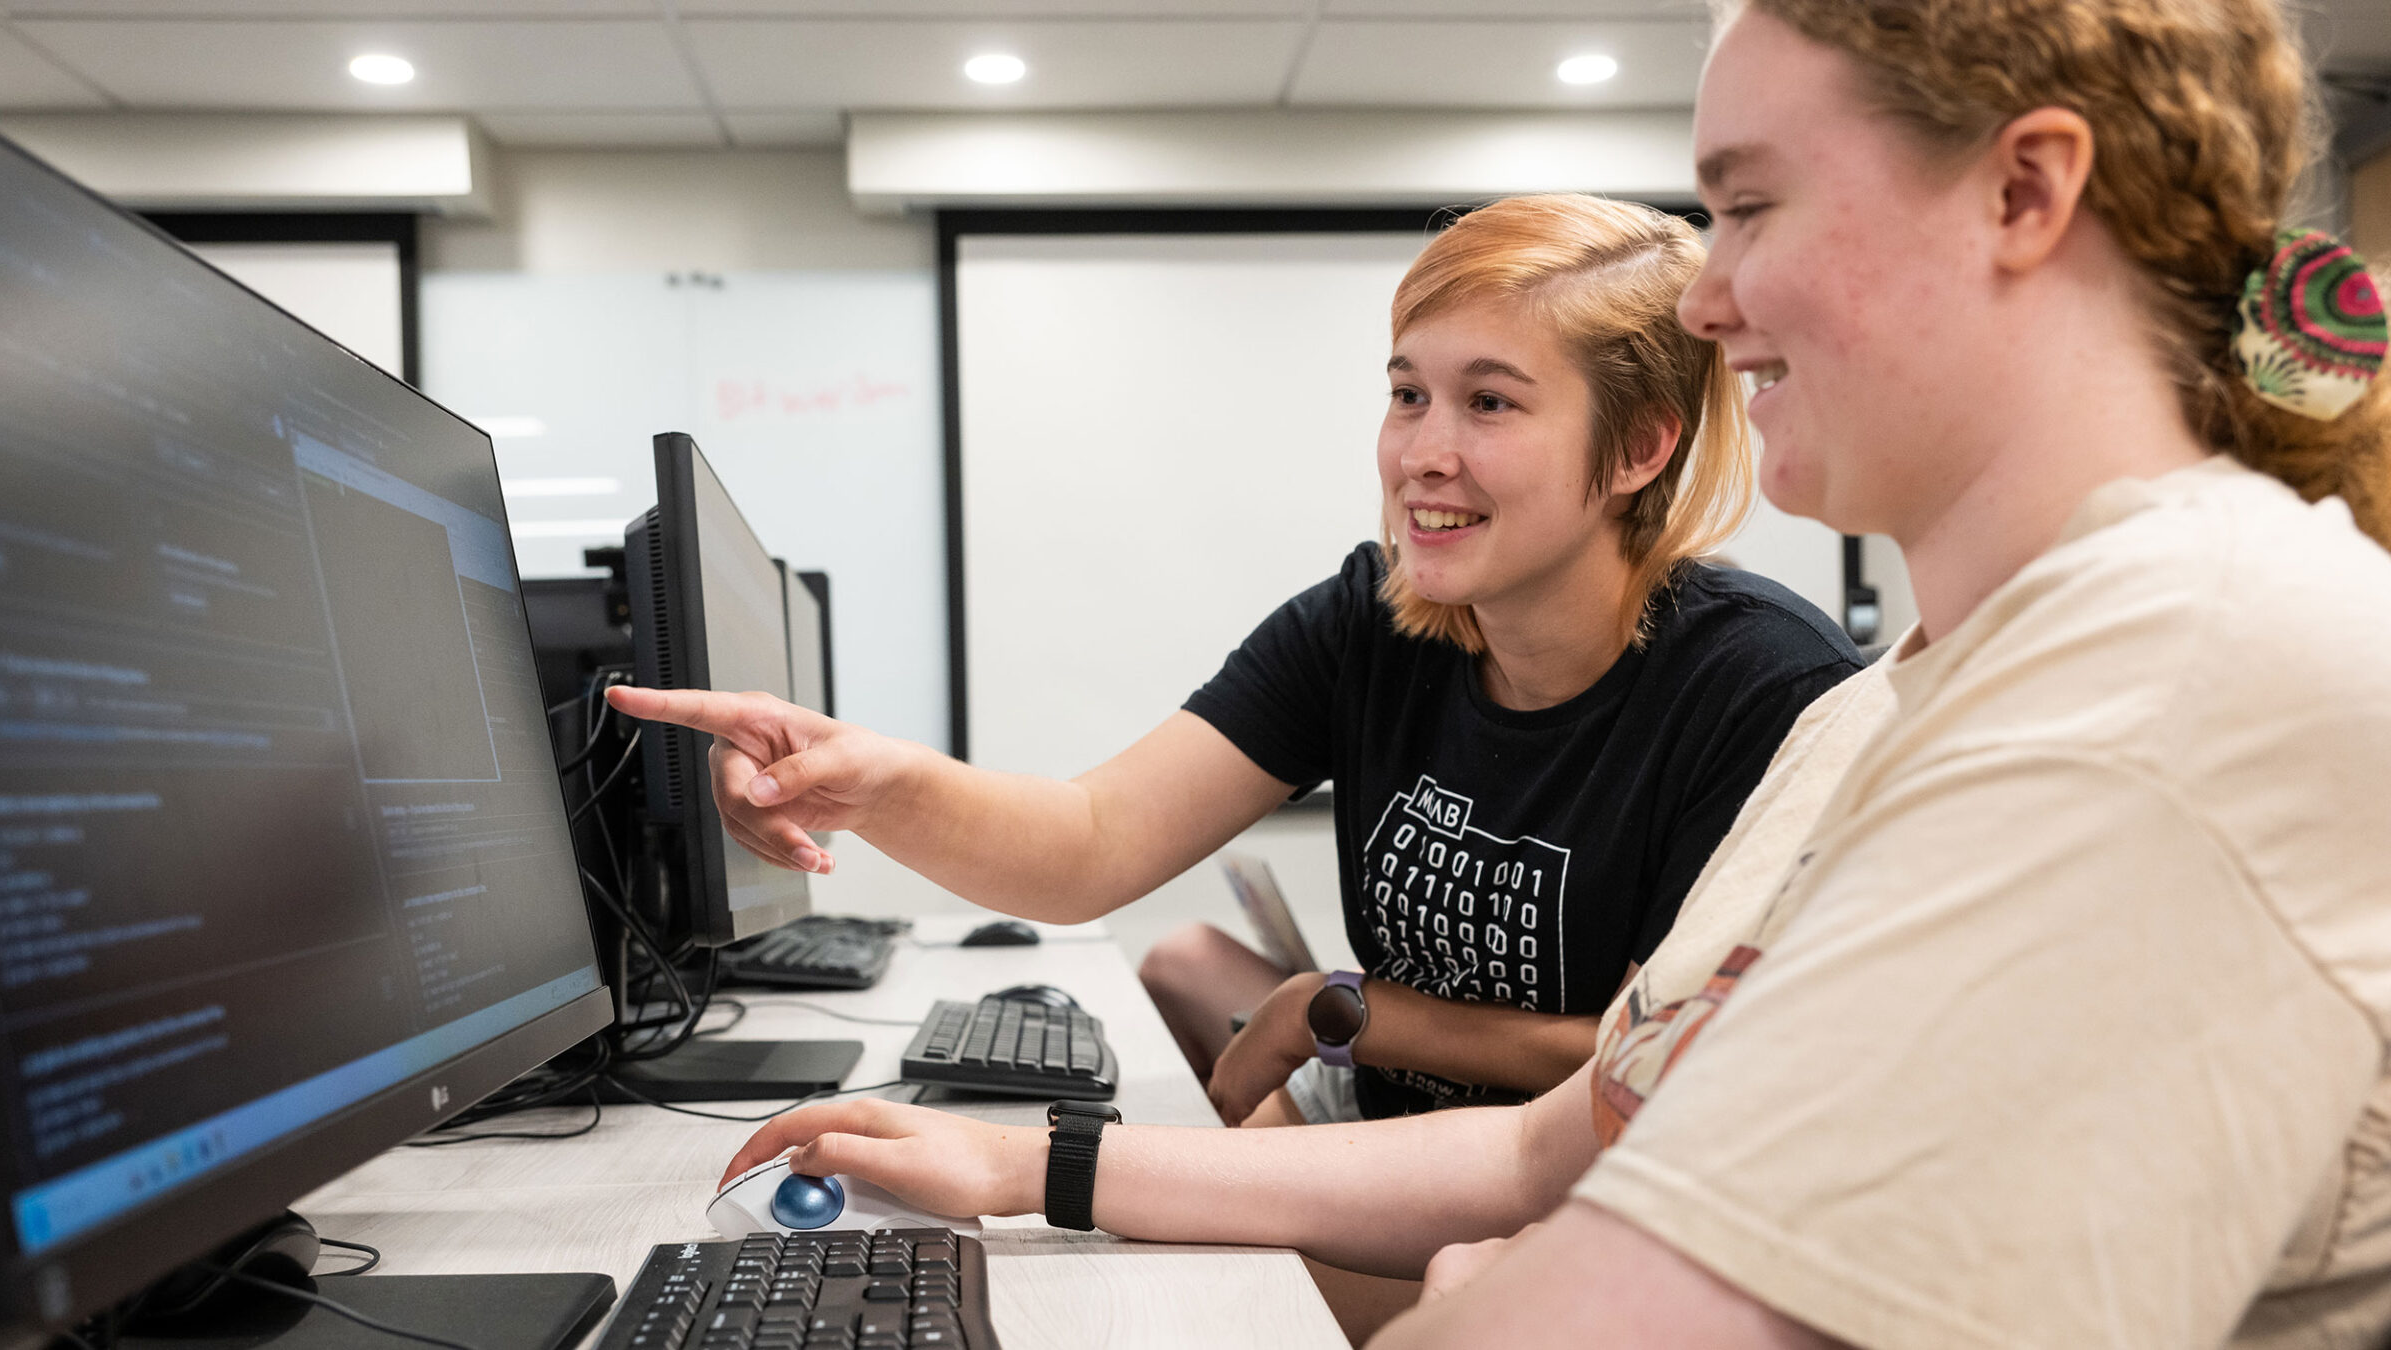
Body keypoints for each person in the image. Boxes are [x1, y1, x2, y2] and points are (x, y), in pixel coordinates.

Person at [687, 0, 2391, 1345]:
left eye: (1749, 206)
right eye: (1409, 391)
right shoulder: (1903, 703)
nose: (1712, 295)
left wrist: (1482, 1294)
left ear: (2024, 192)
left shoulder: (2161, 684)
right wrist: (1030, 1166)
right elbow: (1550, 1144)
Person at [612, 195, 1863, 1139]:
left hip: (1566, 1208)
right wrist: (871, 781)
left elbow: (1640, 1069)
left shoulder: (1757, 690)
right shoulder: (1370, 620)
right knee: (1168, 992)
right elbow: (1092, 838)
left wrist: (1355, 1009)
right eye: (1407, 394)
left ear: (1641, 446)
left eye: (1490, 404)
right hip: (1390, 1150)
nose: (1422, 452)